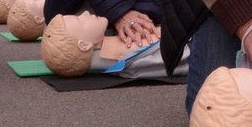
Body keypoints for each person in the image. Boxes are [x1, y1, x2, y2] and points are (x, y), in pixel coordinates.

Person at [41, 12, 179, 78]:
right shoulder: (129, 59)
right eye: (80, 20)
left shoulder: (125, 57)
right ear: (84, 45)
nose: (85, 13)